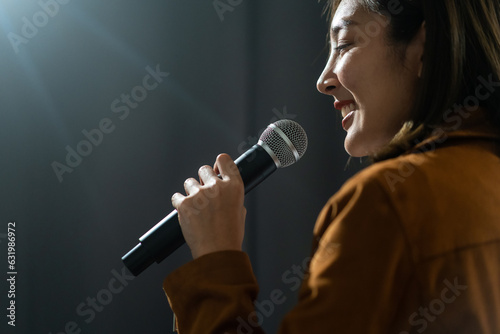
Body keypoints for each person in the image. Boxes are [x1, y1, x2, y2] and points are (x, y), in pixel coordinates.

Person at [163, 0, 500, 332]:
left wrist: (215, 262)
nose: (323, 80)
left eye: (344, 45)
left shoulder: (385, 203)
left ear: (423, 48)